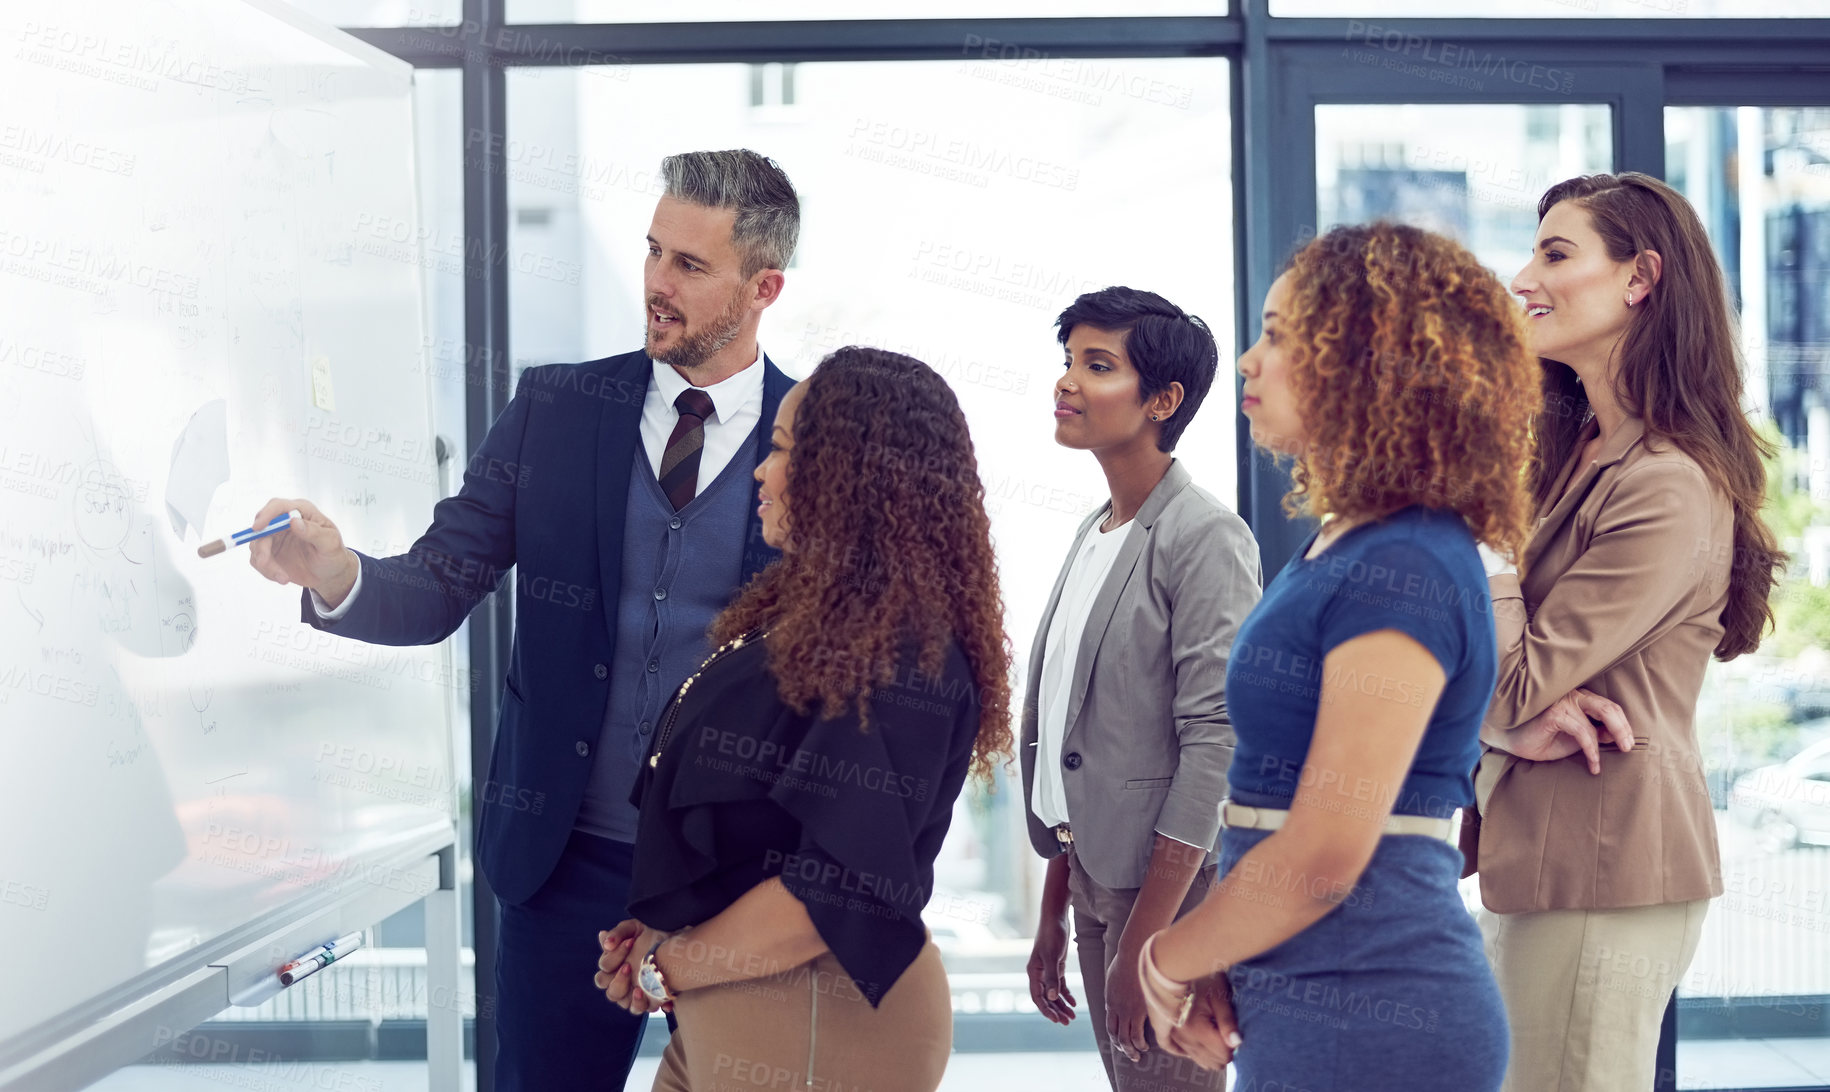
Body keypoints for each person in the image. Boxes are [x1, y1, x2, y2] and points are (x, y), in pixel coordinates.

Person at [242, 148, 801, 1091]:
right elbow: (436, 585)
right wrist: (336, 574)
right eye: (655, 252)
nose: (657, 285)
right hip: (564, 867)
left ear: (764, 286)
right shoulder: (556, 408)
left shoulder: (812, 437)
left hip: (738, 878)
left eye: (690, 267)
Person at [1135, 223, 1539, 1091]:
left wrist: (1165, 960)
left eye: (1279, 337)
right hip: (1304, 1001)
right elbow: (1274, 812)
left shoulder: (1404, 562)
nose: (1247, 361)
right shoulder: (1348, 543)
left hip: (1377, 1015)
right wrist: (1222, 954)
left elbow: (1324, 849)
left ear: (1368, 363)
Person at [591, 347, 1013, 1092]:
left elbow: (831, 892)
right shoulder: (813, 624)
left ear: (853, 474)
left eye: (784, 448)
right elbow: (751, 832)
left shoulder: (903, 655)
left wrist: (669, 965)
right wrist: (660, 938)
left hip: (820, 1012)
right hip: (739, 1009)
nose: (760, 468)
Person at [1465, 172, 1784, 1092]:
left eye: (1555, 254)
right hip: (1553, 865)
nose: (1523, 278)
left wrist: (1483, 520)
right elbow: (1503, 689)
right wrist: (1503, 724)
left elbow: (1515, 683)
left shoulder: (1667, 481)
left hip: (1601, 871)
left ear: (1640, 278)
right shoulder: (1581, 457)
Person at [1020, 286, 1261, 1091]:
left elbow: (1217, 740)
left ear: (1163, 400)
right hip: (1089, 873)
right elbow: (1075, 740)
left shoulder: (1205, 537)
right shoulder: (1095, 530)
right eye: (1068, 361)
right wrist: (1054, 911)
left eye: (1097, 365)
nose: (1067, 383)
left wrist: (1147, 942)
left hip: (1162, 892)